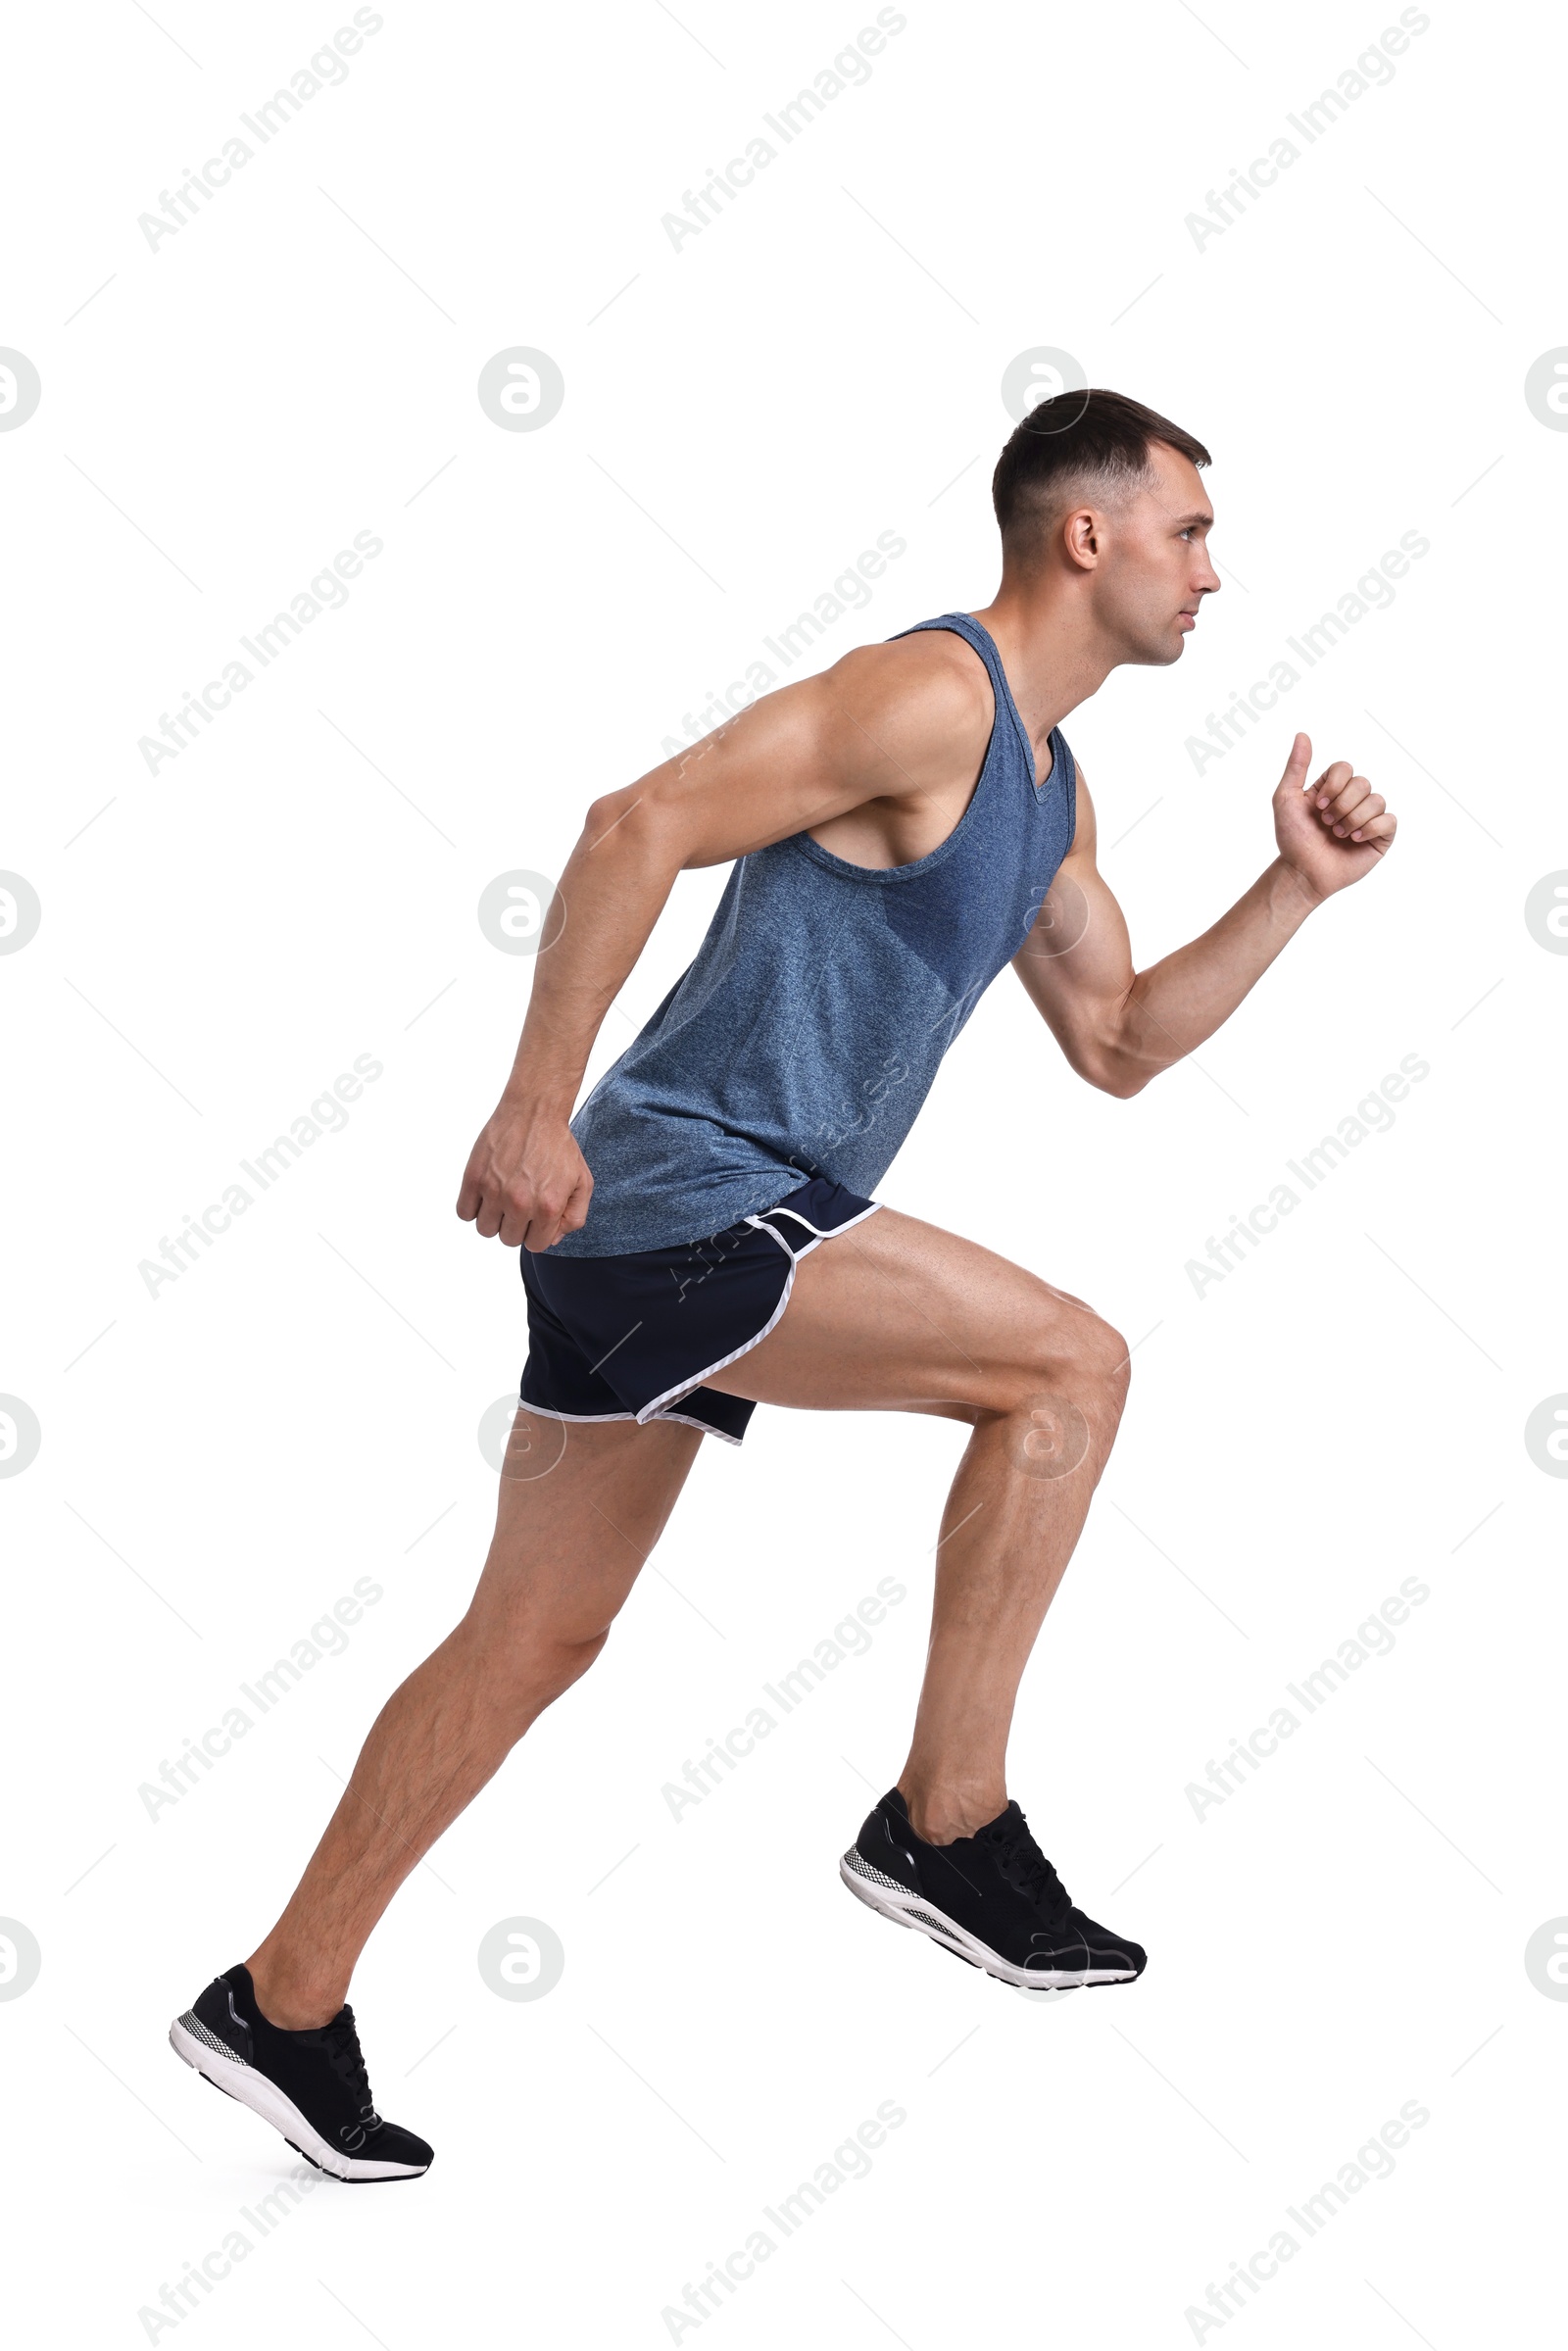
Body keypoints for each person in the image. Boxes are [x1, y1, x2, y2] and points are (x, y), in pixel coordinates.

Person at [170, 389, 1396, 2179]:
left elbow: (1122, 1040)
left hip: (696, 1234)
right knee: (1070, 1369)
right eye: (1190, 533)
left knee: (534, 1641)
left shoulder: (1049, 795)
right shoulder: (933, 698)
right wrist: (530, 1104)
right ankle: (945, 1824)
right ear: (1085, 535)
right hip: (685, 1194)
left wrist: (1294, 891)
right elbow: (634, 821)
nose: (1214, 572)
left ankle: (277, 2002)